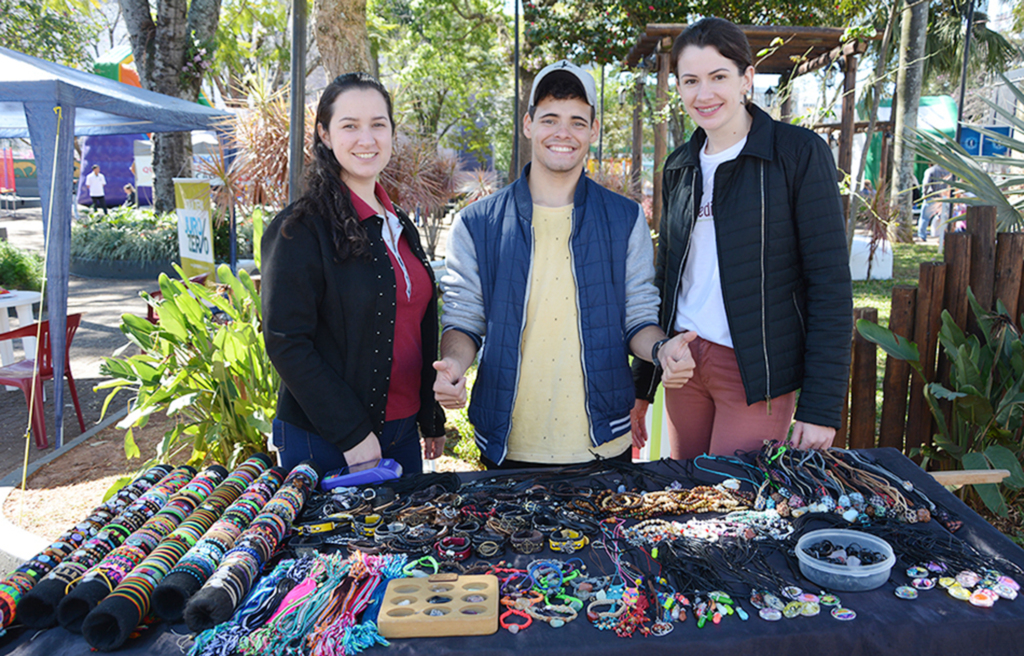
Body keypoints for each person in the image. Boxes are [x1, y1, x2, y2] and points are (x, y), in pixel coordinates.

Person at [434, 60, 696, 469]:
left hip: (603, 445)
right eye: (550, 118)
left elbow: (638, 318)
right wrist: (452, 365)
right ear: (528, 124)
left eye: (577, 121)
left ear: (593, 131)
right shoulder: (477, 222)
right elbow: (464, 321)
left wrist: (661, 349)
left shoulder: (625, 218)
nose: (563, 133)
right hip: (507, 446)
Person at [631, 17, 853, 460]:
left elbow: (829, 283)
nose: (704, 94)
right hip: (686, 362)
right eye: (690, 80)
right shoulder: (679, 165)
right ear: (677, 86)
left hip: (755, 370)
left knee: (732, 510)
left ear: (746, 79)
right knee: (685, 493)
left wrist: (822, 407)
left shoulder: (797, 154)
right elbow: (666, 281)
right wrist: (645, 385)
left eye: (718, 77)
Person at [261, 72, 445, 476]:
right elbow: (286, 341)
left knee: (404, 540)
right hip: (330, 439)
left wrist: (430, 416)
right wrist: (352, 434)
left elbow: (415, 324)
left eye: (378, 124)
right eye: (350, 126)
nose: (367, 139)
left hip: (401, 429)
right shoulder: (300, 229)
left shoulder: (399, 225)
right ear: (325, 135)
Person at [917, 162, 951, 242]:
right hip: (944, 197)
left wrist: (924, 194)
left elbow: (926, 183)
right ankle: (943, 236)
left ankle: (922, 235)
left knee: (924, 218)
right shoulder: (949, 171)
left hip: (932, 196)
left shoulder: (930, 170)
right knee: (944, 218)